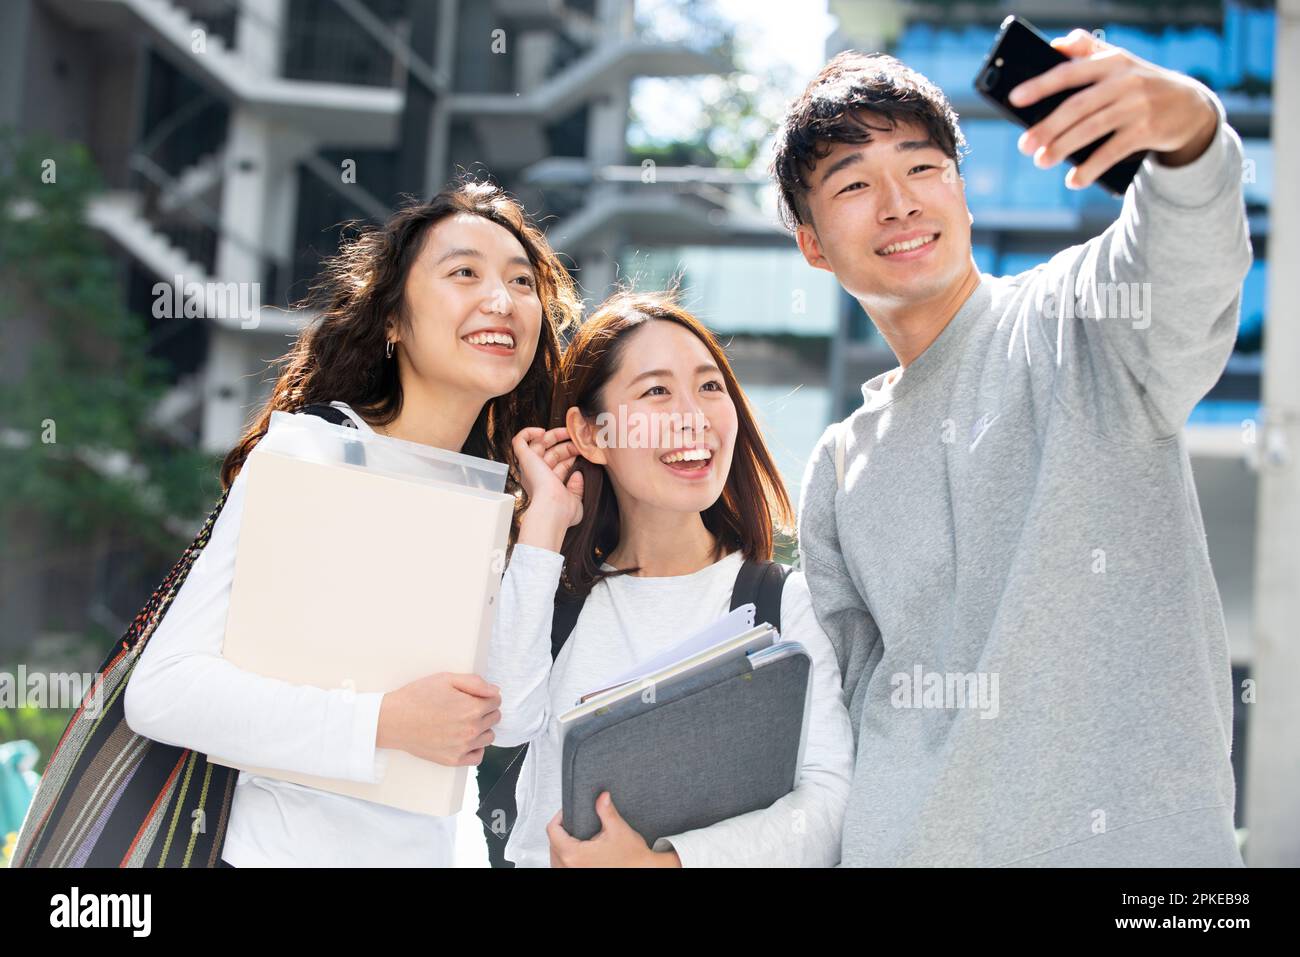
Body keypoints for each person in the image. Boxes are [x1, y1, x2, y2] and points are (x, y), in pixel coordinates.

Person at [774, 31, 1250, 866]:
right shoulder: (840, 466)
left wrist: (1191, 132)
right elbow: (841, 728)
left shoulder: (1078, 318)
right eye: (853, 185)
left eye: (922, 168)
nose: (899, 202)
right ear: (813, 243)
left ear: (959, 187)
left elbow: (1187, 263)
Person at [123, 179, 582, 866]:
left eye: (522, 283)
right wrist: (384, 722)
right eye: (465, 272)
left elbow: (510, 716)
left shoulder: (493, 495)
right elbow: (163, 693)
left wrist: (543, 525)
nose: (503, 300)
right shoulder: (313, 452)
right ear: (392, 319)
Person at [484, 291, 855, 867]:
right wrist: (545, 524)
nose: (693, 415)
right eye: (656, 391)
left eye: (710, 387)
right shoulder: (557, 600)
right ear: (591, 435)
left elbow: (827, 806)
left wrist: (664, 865)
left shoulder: (782, 602)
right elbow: (504, 720)